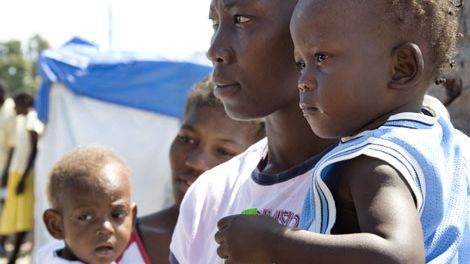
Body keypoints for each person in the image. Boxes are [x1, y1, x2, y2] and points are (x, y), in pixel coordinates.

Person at [213, 0, 470, 263]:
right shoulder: (444, 142)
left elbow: (399, 256)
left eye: (321, 58)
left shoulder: (374, 161)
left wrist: (273, 242)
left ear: (402, 67)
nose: (303, 81)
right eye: (301, 64)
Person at [169, 0, 337, 263]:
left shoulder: (377, 189)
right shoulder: (209, 195)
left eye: (241, 19)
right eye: (215, 22)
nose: (215, 50)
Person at [117, 76, 265, 264]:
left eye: (223, 151)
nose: (195, 161)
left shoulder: (261, 251)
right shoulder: (111, 246)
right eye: (186, 139)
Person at [35, 145, 137, 263]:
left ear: (132, 217)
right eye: (86, 217)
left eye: (118, 214)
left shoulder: (50, 253)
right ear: (56, 225)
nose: (106, 228)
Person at [0, 91, 43, 264]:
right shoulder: (21, 120)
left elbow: (34, 150)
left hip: (25, 175)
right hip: (17, 172)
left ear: (26, 102)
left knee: (23, 219)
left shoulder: (32, 118)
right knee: (14, 216)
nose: (15, 108)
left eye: (17, 104)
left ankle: (13, 255)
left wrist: (24, 177)